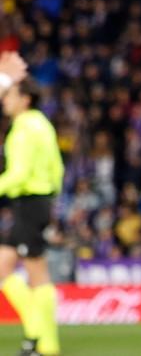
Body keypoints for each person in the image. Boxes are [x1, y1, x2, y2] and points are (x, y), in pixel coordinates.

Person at [0, 78, 65, 356]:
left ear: (26, 98)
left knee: (36, 273)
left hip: (29, 201)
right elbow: (58, 168)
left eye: (10, 95)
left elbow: (19, 173)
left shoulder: (25, 128)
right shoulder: (43, 124)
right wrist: (51, 199)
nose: (4, 100)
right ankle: (40, 338)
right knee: (5, 266)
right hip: (38, 202)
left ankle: (43, 341)